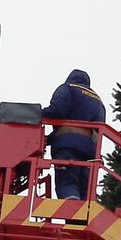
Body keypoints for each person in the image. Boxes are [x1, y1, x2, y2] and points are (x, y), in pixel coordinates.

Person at [43, 69, 106, 200]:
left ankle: (71, 204)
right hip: (90, 150)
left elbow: (57, 111)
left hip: (68, 147)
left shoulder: (68, 88)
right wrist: (49, 139)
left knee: (67, 181)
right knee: (85, 188)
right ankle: (84, 216)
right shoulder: (98, 101)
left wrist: (37, 114)